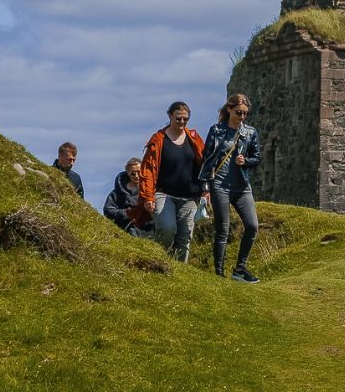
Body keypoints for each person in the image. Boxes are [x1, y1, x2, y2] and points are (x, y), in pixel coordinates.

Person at [197, 93, 261, 282]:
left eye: (245, 114)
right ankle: (219, 274)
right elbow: (207, 160)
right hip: (220, 185)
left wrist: (246, 160)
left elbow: (257, 157)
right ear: (229, 110)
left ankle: (240, 269)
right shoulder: (216, 130)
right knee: (222, 230)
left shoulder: (250, 132)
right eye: (239, 113)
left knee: (252, 226)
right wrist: (205, 187)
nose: (242, 117)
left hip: (242, 186)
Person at [138, 101, 206, 262]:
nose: (182, 122)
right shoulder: (158, 140)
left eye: (185, 119)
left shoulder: (194, 139)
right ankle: (157, 262)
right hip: (163, 194)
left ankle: (180, 274)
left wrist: (205, 191)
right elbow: (147, 170)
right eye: (178, 119)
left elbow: (205, 165)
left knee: (185, 237)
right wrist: (148, 197)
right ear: (170, 116)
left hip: (189, 197)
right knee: (168, 229)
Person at [103, 157, 149, 236]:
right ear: (128, 173)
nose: (137, 176)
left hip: (146, 231)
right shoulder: (116, 193)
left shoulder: (149, 191)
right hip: (123, 231)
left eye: (139, 172)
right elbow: (108, 210)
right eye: (133, 173)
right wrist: (127, 214)